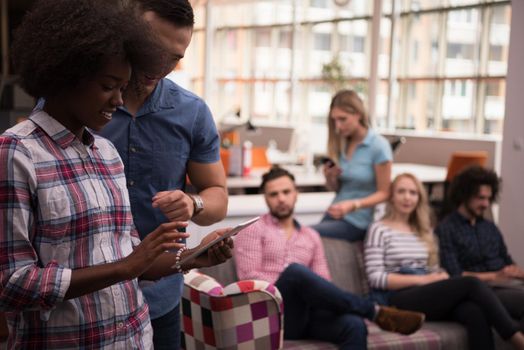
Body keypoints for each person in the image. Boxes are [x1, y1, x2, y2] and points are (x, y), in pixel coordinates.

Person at [0, 0, 232, 348]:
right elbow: (12, 282)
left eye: (122, 88)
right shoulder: (18, 152)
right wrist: (126, 267)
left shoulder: (106, 154)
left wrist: (194, 254)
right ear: (69, 71)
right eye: (110, 86)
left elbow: (132, 255)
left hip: (136, 333)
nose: (119, 101)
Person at [97, 1, 229, 348]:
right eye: (153, 48)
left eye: (174, 57)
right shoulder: (82, 101)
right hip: (89, 299)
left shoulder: (192, 112)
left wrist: (193, 202)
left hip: (161, 299)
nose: (161, 65)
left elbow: (217, 196)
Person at [234, 166, 425, 350]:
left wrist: (308, 291)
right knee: (295, 272)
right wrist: (295, 285)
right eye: (274, 194)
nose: (281, 199)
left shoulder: (311, 236)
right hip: (270, 316)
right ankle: (373, 311)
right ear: (265, 198)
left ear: (296, 194)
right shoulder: (254, 229)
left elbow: (323, 280)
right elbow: (250, 281)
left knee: (355, 325)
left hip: (306, 316)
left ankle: (369, 313)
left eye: (286, 192)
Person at [364, 173, 524, 350]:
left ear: (419, 198)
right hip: (396, 297)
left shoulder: (423, 230)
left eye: (413, 192)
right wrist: (424, 280)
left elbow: (432, 268)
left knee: (474, 311)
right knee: (471, 283)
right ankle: (516, 338)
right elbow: (375, 277)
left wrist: (439, 275)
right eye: (401, 191)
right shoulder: (378, 229)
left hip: (424, 292)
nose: (407, 197)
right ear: (391, 197)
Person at [436, 165, 524, 331]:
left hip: (508, 285)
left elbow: (507, 261)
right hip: (482, 291)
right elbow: (454, 275)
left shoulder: (490, 228)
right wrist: (494, 276)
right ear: (464, 195)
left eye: (488, 199)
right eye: (480, 198)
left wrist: (517, 272)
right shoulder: (446, 228)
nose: (485, 204)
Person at [312, 90, 392, 242]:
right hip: (336, 211)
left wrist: (354, 205)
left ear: (359, 114)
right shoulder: (343, 142)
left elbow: (385, 193)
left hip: (358, 220)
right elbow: (338, 189)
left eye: (343, 119)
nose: (338, 126)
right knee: (300, 236)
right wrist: (330, 178)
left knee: (306, 233)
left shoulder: (379, 146)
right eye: (334, 120)